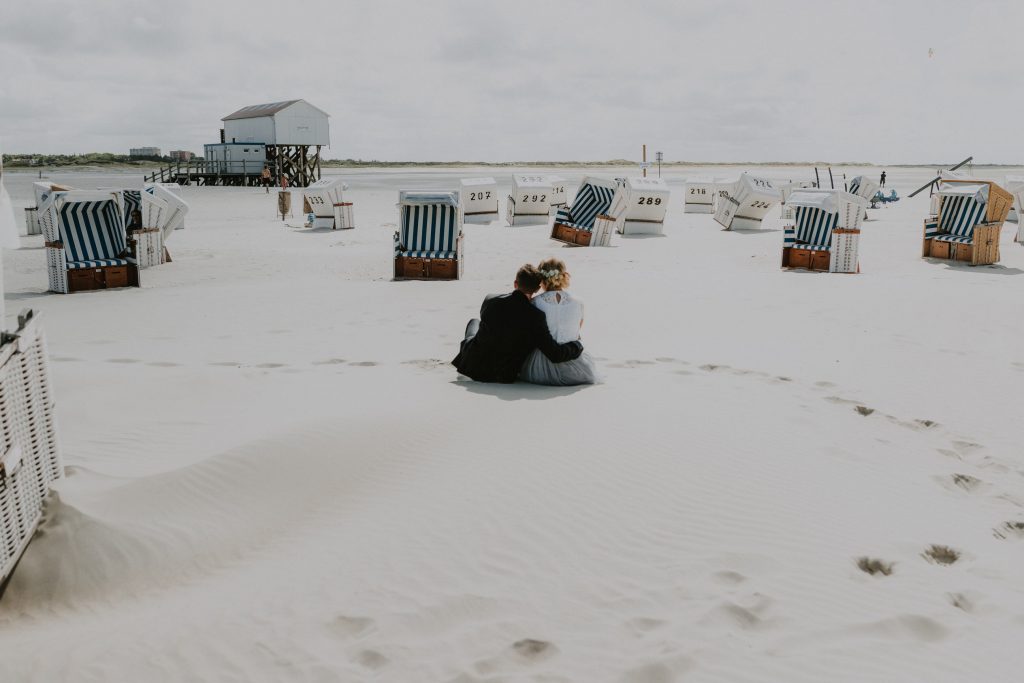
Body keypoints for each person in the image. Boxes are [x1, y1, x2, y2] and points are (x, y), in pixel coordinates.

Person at [453, 264, 583, 383]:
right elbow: (555, 354)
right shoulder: (536, 315)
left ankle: (465, 354)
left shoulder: (490, 299)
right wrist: (577, 345)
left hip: (472, 367)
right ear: (537, 289)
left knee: (474, 322)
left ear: (515, 283)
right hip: (503, 375)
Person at [519, 258, 599, 386]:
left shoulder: (534, 302)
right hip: (577, 367)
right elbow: (577, 332)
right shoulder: (578, 302)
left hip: (541, 368)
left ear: (541, 279)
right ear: (564, 276)